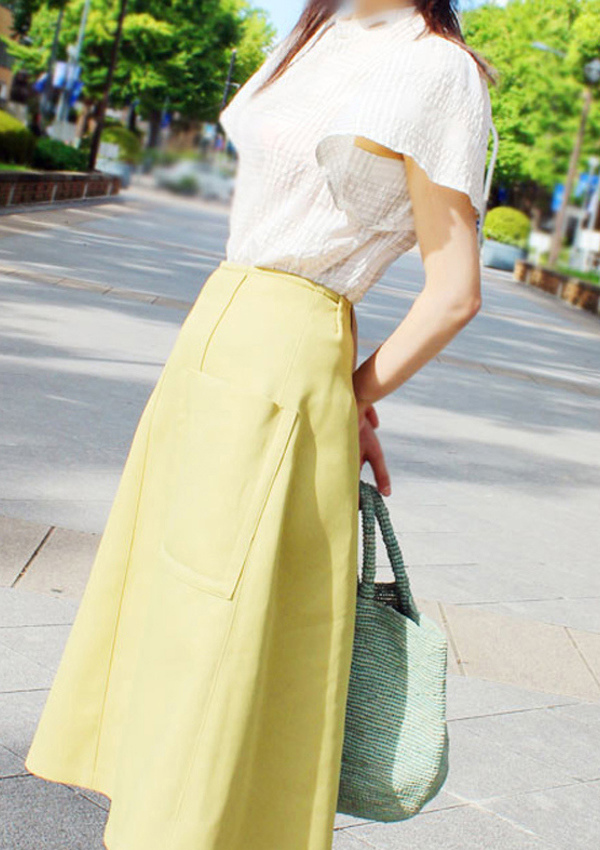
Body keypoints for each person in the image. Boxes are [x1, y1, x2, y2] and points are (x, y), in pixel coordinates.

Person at [24, 2, 493, 849]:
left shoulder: (436, 70)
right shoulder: (319, 34)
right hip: (217, 331)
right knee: (174, 604)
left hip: (286, 351)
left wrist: (350, 393)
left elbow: (455, 290)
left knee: (223, 622)